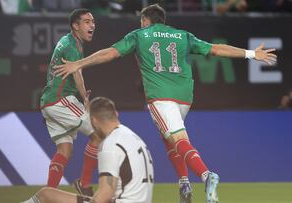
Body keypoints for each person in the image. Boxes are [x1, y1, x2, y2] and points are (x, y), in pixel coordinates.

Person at [54, 4, 277, 203]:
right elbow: (216, 48)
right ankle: (183, 182)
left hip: (161, 97)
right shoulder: (183, 35)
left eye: (141, 21)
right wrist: (251, 53)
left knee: (177, 138)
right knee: (170, 137)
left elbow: (110, 53)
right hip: (184, 98)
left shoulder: (139, 35)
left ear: (145, 21)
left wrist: (79, 63)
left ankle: (206, 175)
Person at [22, 97, 154, 203]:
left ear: (94, 121)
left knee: (46, 195)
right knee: (48, 194)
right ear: (116, 114)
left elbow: (104, 195)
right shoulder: (132, 136)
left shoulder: (110, 145)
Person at [39, 8, 101, 196]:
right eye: (87, 21)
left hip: (48, 103)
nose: (92, 25)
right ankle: (85, 183)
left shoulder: (67, 41)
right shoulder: (72, 46)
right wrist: (85, 98)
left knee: (64, 151)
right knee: (98, 134)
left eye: (93, 21)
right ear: (75, 25)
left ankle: (48, 195)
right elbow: (77, 72)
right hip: (61, 100)